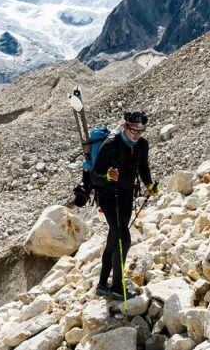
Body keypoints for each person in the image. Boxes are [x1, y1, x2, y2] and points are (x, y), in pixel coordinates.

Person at [90, 110, 159, 301]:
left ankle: (102, 285)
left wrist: (150, 184)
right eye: (133, 130)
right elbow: (94, 176)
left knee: (114, 237)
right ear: (124, 126)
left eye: (140, 131)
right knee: (124, 239)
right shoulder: (111, 144)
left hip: (127, 195)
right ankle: (117, 288)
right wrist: (107, 177)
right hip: (108, 196)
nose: (137, 135)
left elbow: (143, 167)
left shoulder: (142, 145)